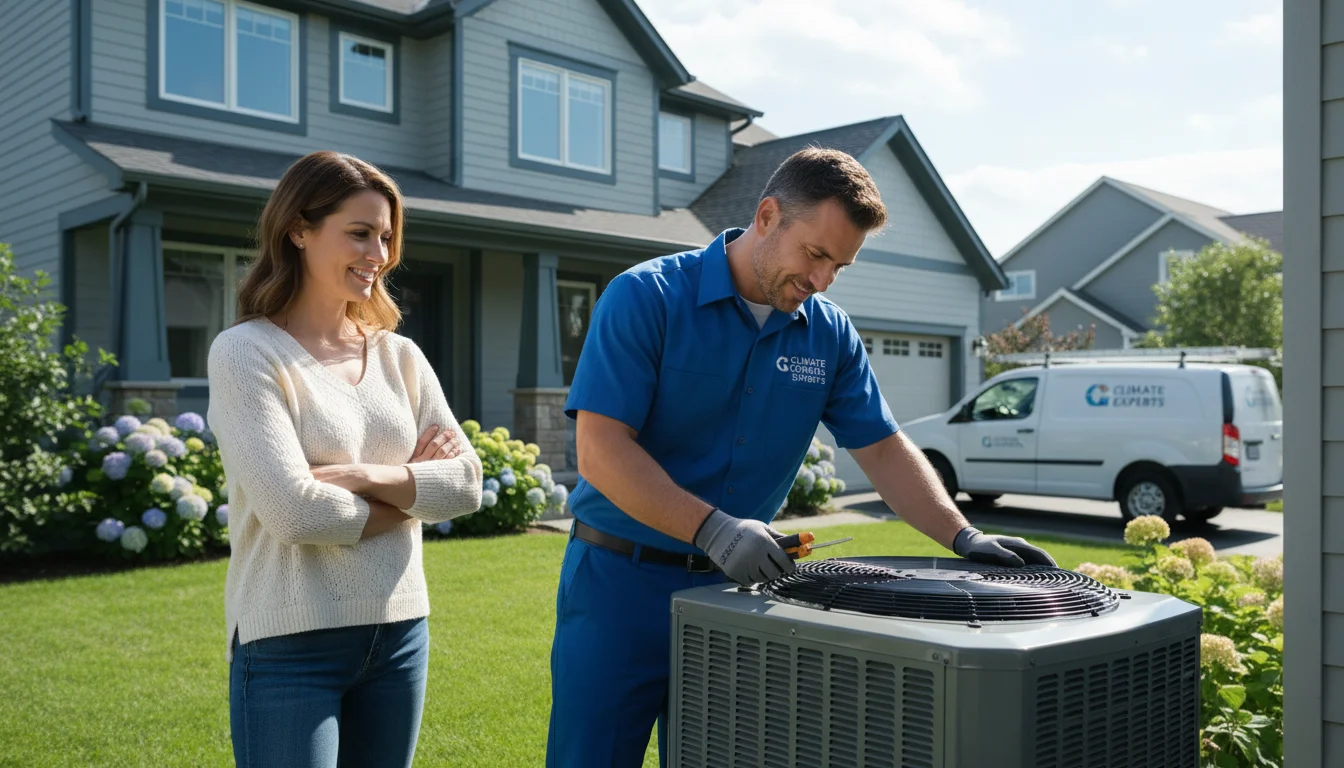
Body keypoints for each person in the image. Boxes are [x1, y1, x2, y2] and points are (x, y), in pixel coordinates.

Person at [546, 148, 1056, 767]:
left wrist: (963, 536)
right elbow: (601, 452)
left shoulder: (829, 333)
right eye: (815, 255)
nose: (821, 281)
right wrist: (711, 528)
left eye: (839, 267)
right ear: (766, 216)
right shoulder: (645, 297)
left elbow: (884, 449)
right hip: (619, 589)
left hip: (741, 596)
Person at [207, 150, 484, 767]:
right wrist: (415, 491)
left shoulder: (400, 357)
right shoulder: (246, 354)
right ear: (298, 230)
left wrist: (365, 479)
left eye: (386, 237)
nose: (379, 254)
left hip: (401, 634)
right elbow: (297, 515)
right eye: (358, 233)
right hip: (288, 642)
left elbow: (466, 483)